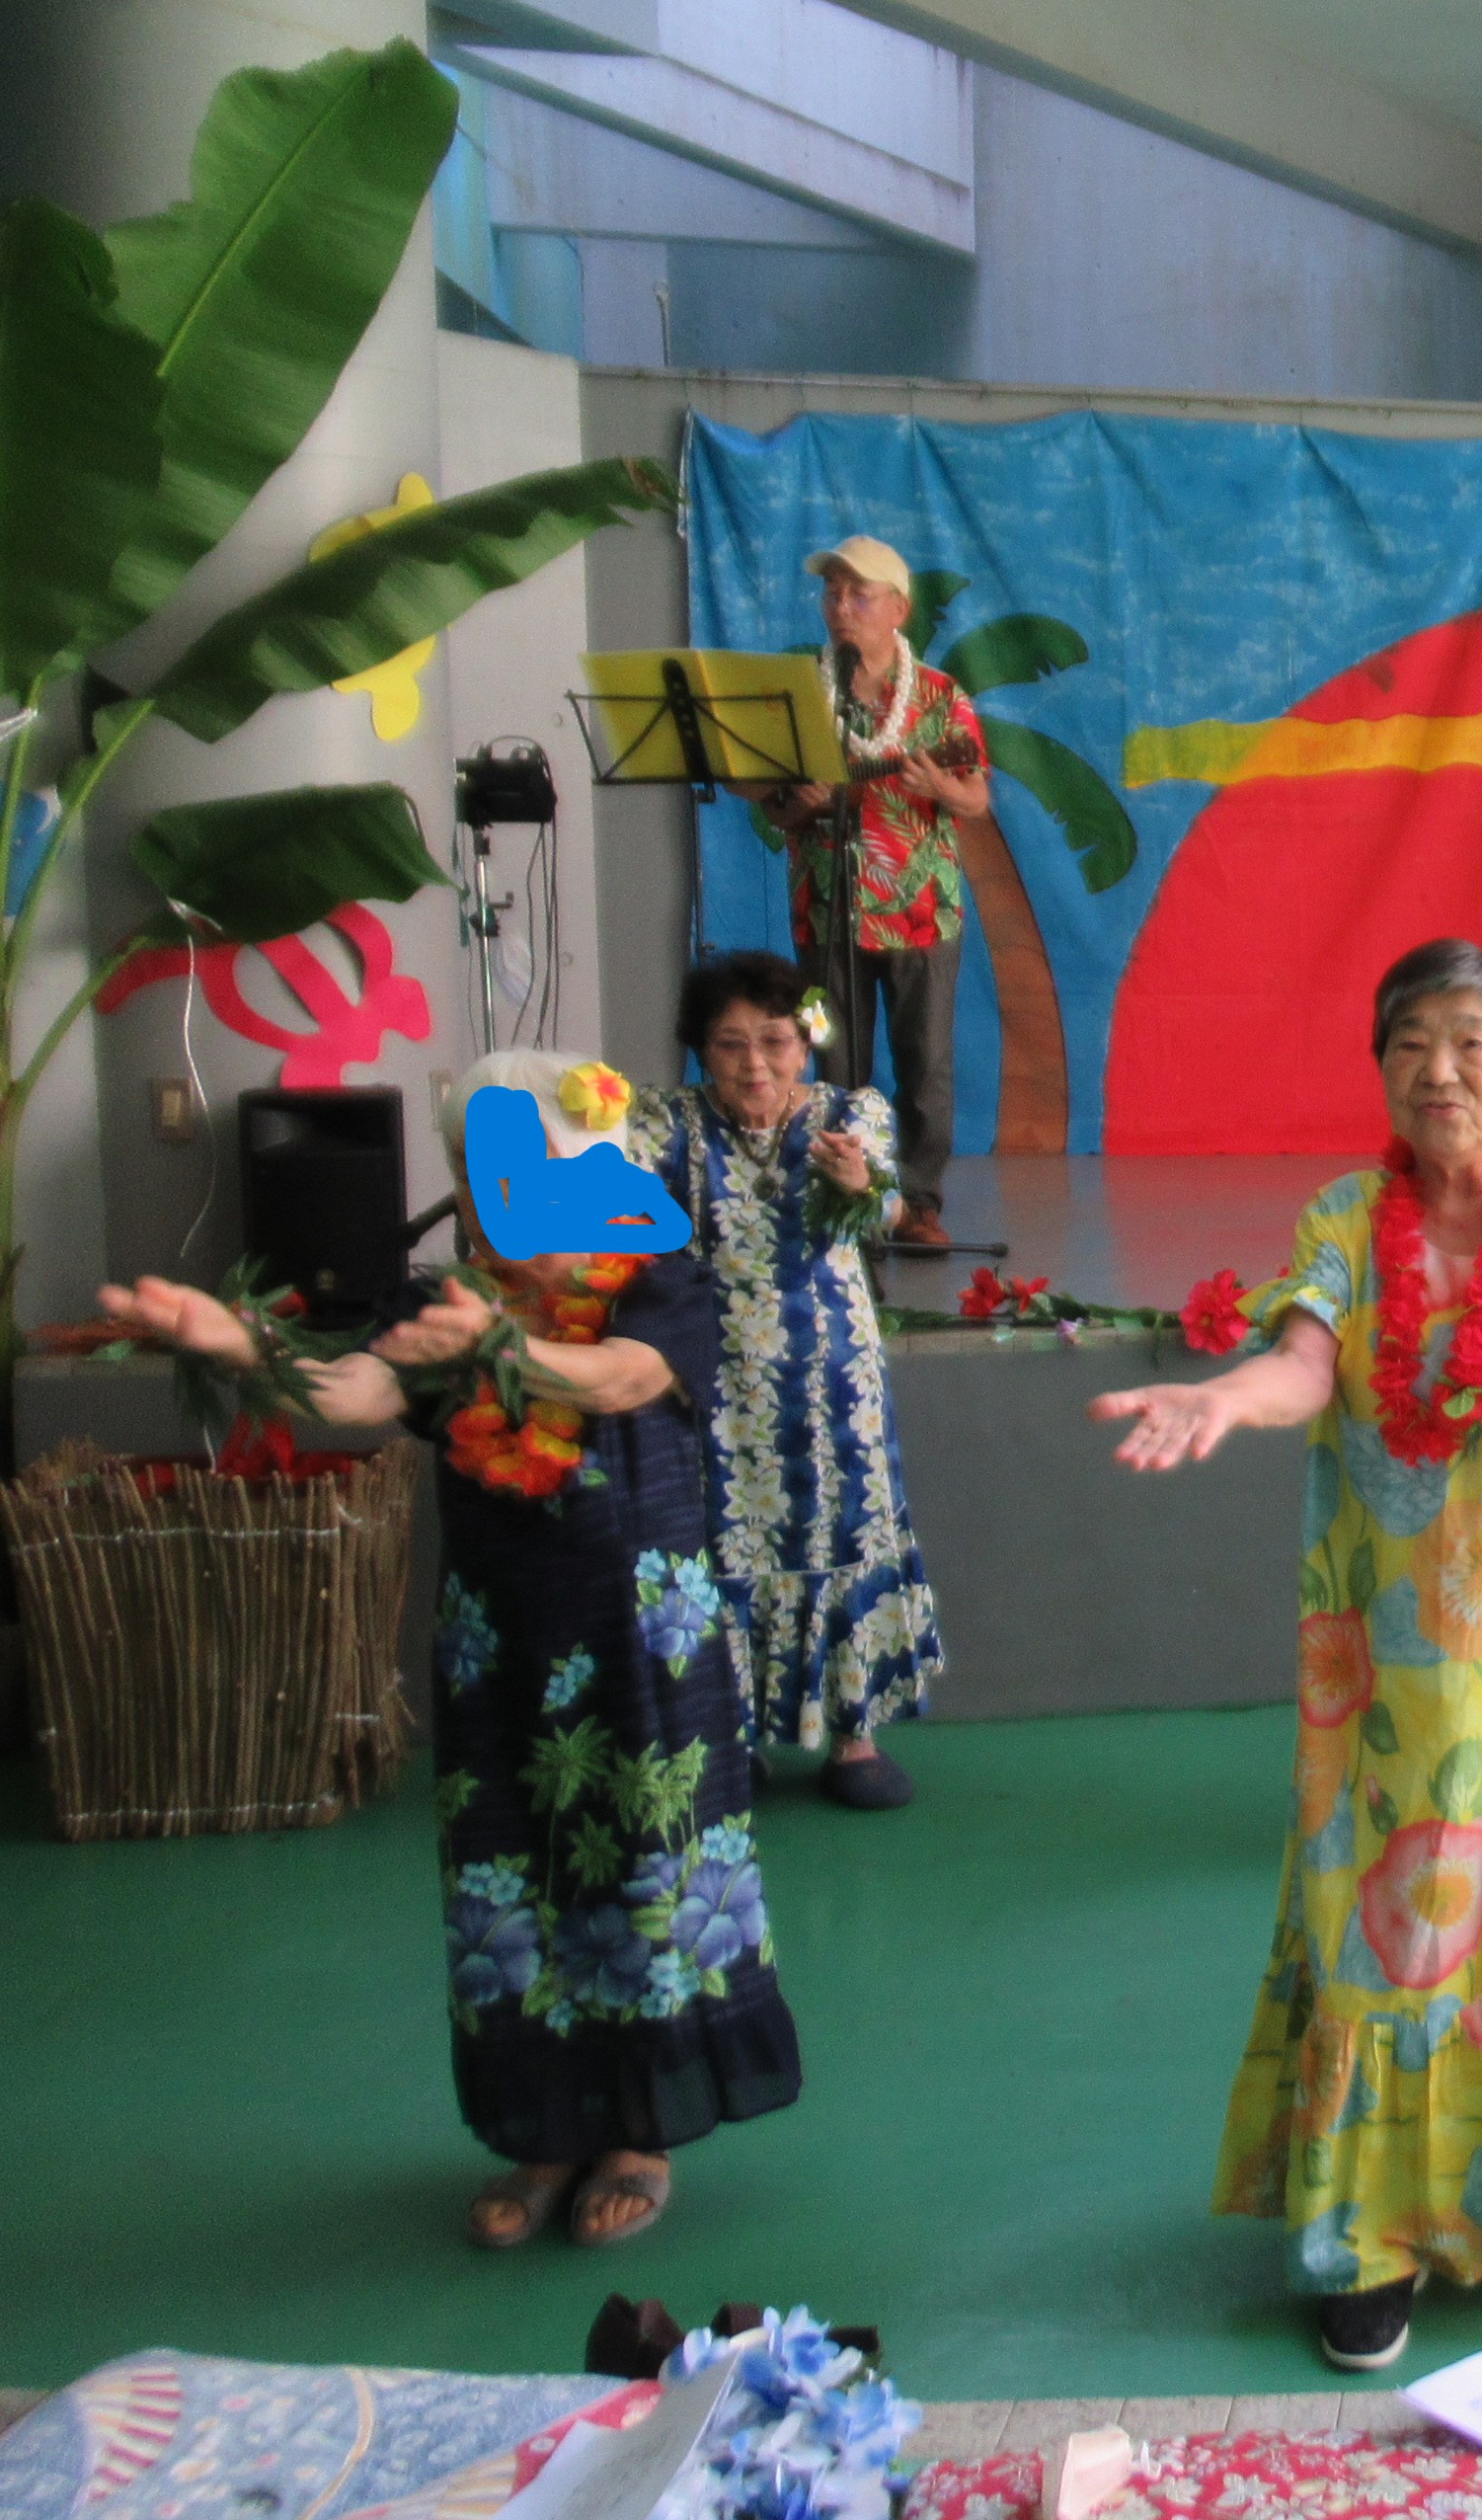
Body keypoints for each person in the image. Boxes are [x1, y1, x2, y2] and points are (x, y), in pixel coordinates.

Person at [1088, 940, 1482, 2376]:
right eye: (1409, 1043)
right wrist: (1232, 1399)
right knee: (1373, 1919)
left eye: (1472, 1042)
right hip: (1376, 1660)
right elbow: (1306, 1361)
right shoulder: (1346, 1219)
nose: (1439, 1070)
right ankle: (1366, 2236)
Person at [99, 1053, 800, 2251]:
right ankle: (547, 2133)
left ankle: (639, 2133)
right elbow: (357, 1394)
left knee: (645, 1869)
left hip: (640, 1643)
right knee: (507, 1879)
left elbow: (626, 1379)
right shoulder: (443, 1302)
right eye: (475, 1179)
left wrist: (502, 1354)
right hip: (498, 1643)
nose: (487, 1203)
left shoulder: (658, 1283)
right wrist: (242, 1347)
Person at [631, 951, 946, 1809]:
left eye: (774, 1040)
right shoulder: (666, 1121)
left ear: (805, 1043)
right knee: (721, 1543)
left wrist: (860, 1183)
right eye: (729, 1044)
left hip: (833, 1382)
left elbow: (883, 1206)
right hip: (715, 1379)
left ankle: (854, 1736)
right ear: (701, 1049)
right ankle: (731, 1729)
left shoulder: (853, 1112)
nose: (755, 1063)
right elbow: (611, 1185)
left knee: (845, 1535)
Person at [754, 533, 990, 1249]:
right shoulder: (800, 693)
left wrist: (939, 785)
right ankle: (838, 1193)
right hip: (822, 908)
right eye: (832, 593)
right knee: (829, 1056)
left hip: (920, 913)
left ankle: (918, 1203)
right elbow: (767, 801)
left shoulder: (942, 697)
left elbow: (976, 799)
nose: (841, 607)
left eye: (859, 594)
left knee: (925, 1064)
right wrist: (801, 804)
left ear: (899, 610)